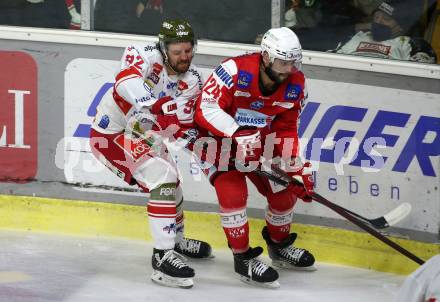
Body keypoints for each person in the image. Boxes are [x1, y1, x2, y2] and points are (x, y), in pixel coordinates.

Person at [89, 19, 212, 289]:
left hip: (143, 133)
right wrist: (153, 103)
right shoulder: (143, 53)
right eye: (178, 51)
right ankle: (162, 257)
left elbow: (178, 120)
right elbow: (125, 82)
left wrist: (192, 137)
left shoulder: (194, 80)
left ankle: (177, 242)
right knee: (163, 176)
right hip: (111, 135)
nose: (184, 57)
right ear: (164, 48)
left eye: (189, 51)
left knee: (173, 184)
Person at [194, 27, 316, 288]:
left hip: (258, 144)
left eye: (293, 62)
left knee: (284, 194)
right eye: (283, 62)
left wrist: (294, 166)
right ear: (267, 57)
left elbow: (285, 127)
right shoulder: (233, 71)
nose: (288, 69)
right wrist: (236, 133)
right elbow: (204, 109)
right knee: (233, 195)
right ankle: (243, 258)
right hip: (217, 143)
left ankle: (278, 246)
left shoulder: (297, 84)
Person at [336, 1, 437, 63]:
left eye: (386, 18)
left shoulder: (413, 44)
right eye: (376, 17)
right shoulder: (355, 37)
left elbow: (419, 75)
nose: (378, 21)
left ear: (400, 27)